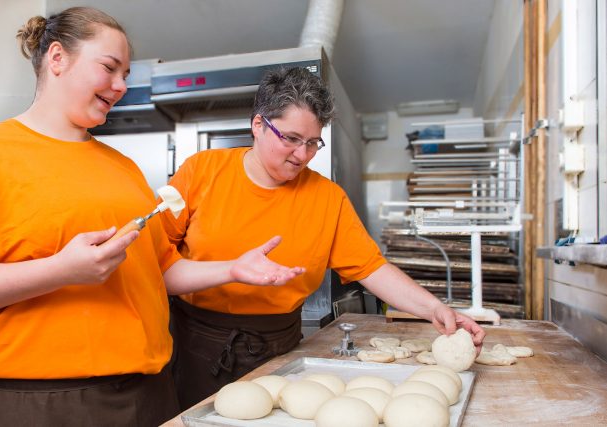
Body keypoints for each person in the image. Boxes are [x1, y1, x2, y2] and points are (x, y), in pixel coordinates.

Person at [0, 8, 304, 427]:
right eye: (109, 68)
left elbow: (157, 270)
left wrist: (233, 269)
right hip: (36, 405)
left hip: (147, 396)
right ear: (57, 58)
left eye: (126, 75)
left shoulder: (123, 168)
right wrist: (61, 269)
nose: (120, 87)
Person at [161, 67, 487, 409]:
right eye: (290, 138)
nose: (301, 155)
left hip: (279, 347)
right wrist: (230, 269)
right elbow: (155, 261)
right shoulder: (201, 172)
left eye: (312, 142)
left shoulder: (327, 198)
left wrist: (434, 308)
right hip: (199, 343)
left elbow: (371, 268)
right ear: (258, 125)